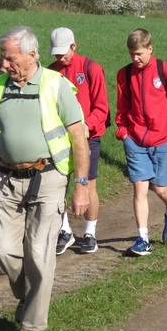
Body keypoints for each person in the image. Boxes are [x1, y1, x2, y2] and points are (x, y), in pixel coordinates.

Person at [0, 26, 90, 331]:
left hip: (48, 178)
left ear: (31, 55)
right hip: (7, 180)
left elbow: (79, 137)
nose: (4, 64)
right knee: (1, 250)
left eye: (10, 58)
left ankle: (32, 327)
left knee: (38, 253)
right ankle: (28, 294)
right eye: (4, 58)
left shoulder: (56, 86)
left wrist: (81, 185)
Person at [115, 28, 167, 257]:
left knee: (160, 188)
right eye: (131, 54)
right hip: (135, 141)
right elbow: (122, 106)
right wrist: (124, 132)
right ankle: (143, 238)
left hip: (164, 140)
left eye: (138, 54)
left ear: (150, 48)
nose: (134, 59)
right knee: (139, 189)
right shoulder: (124, 74)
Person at [48, 27, 110, 255]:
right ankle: (65, 231)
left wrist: (87, 125)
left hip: (88, 137)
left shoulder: (91, 69)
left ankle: (90, 233)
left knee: (88, 185)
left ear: (74, 46)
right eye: (56, 53)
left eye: (63, 52)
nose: (60, 57)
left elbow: (102, 107)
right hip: (59, 139)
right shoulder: (50, 72)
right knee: (58, 186)